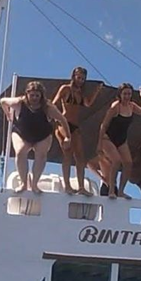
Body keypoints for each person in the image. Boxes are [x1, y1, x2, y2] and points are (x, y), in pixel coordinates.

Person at [0, 81, 70, 194]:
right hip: (21, 133)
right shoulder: (18, 102)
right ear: (27, 94)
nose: (34, 98)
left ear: (41, 96)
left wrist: (68, 137)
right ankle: (23, 183)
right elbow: (3, 101)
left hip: (42, 135)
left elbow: (63, 120)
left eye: (37, 95)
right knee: (20, 152)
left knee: (41, 155)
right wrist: (8, 114)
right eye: (32, 95)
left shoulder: (48, 107)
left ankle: (34, 184)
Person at [52, 67, 101, 195]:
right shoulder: (65, 89)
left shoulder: (80, 94)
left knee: (80, 157)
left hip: (75, 125)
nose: (80, 80)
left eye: (83, 78)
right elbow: (54, 103)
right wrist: (57, 118)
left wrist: (97, 91)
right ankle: (67, 186)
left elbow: (88, 104)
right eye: (78, 77)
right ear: (73, 76)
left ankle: (81, 187)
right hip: (64, 123)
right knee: (67, 154)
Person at [98, 84, 141, 199]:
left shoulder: (132, 106)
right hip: (108, 138)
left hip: (121, 140)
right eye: (125, 94)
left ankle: (121, 191)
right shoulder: (115, 106)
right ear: (120, 94)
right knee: (116, 161)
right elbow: (104, 124)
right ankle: (112, 190)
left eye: (129, 94)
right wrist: (99, 143)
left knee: (128, 163)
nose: (127, 96)